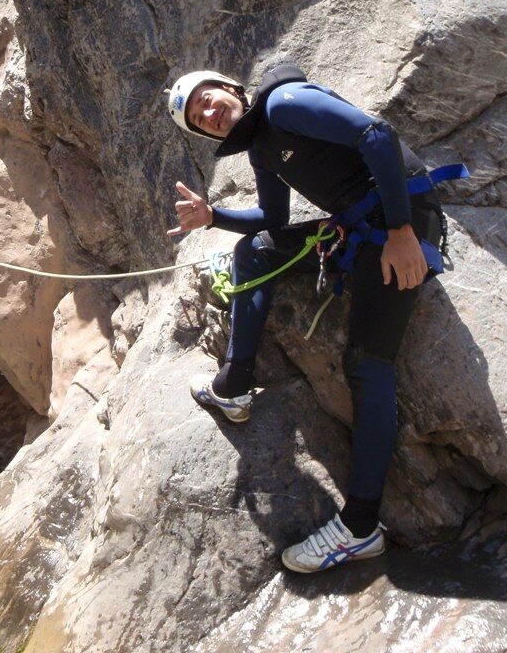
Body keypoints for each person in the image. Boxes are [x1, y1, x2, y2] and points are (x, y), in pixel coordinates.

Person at [165, 64, 459, 573]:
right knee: (254, 252)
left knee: (368, 365)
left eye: (207, 100)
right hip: (361, 229)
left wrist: (402, 232)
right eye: (199, 119)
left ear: (231, 87)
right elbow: (273, 222)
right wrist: (214, 218)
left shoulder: (283, 104)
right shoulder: (261, 145)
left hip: (398, 227)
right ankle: (233, 388)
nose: (209, 115)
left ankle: (361, 528)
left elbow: (376, 134)